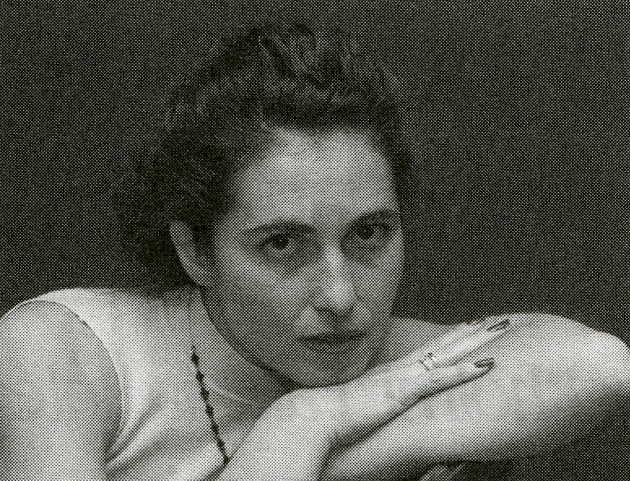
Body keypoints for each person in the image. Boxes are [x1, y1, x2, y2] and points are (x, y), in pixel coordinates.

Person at [1, 23, 628, 481]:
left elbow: (596, 367)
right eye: (282, 245)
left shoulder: (393, 367)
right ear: (195, 252)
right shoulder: (59, 352)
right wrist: (296, 430)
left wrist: (319, 432)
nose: (340, 296)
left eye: (368, 235)